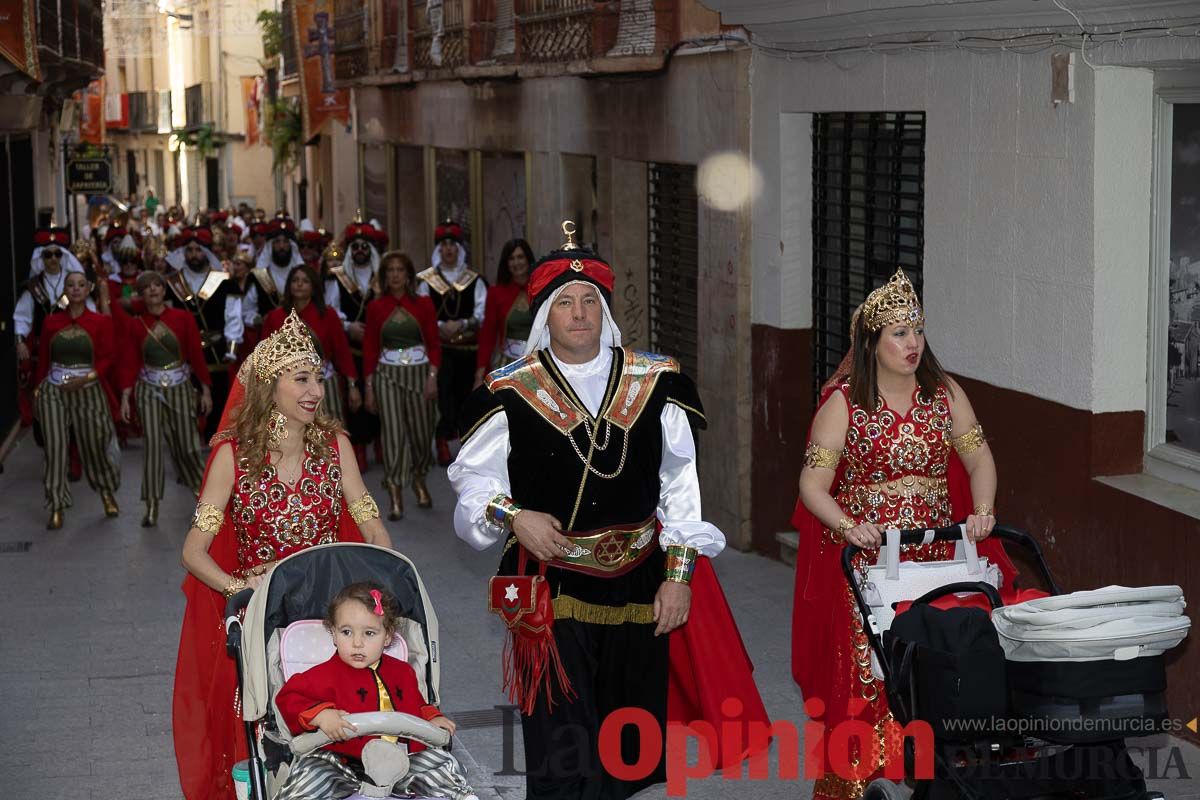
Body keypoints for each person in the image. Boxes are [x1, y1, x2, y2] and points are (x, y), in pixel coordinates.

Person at [448, 221, 768, 799]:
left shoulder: (656, 383)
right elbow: (472, 482)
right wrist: (512, 515)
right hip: (550, 585)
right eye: (564, 302)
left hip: (638, 586)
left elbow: (681, 488)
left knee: (628, 744)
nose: (578, 313)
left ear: (605, 310)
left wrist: (679, 578)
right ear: (545, 315)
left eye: (589, 301)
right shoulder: (510, 391)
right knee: (560, 743)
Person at [791, 268, 1016, 799]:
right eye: (898, 332)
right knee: (876, 672)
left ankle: (943, 776)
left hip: (937, 549)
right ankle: (863, 783)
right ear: (871, 342)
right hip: (871, 560)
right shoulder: (843, 405)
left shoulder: (946, 394)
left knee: (942, 663)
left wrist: (982, 509)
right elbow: (812, 484)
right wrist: (851, 527)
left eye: (916, 329)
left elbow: (980, 458)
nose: (912, 343)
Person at [173, 309, 392, 800]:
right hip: (262, 614)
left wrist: (377, 575)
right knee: (271, 730)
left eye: (318, 376)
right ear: (271, 386)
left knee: (336, 727)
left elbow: (372, 522)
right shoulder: (234, 455)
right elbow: (193, 550)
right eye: (301, 378)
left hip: (331, 610)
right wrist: (240, 589)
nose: (315, 388)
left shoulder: (336, 446)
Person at [274, 581, 477, 800]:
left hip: (401, 762)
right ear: (333, 634)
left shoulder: (402, 672)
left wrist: (431, 717)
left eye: (369, 633)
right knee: (310, 773)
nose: (357, 643)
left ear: (387, 636)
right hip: (341, 763)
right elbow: (288, 698)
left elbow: (416, 703)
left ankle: (462, 795)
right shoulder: (320, 676)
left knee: (442, 762)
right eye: (346, 632)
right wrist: (320, 715)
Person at [119, 270, 213, 527]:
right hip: (148, 388)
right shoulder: (135, 324)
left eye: (157, 285)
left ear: (164, 290)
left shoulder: (183, 318)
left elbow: (195, 353)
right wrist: (126, 396)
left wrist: (205, 389)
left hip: (180, 386)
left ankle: (204, 499)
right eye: (146, 287)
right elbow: (129, 361)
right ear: (141, 293)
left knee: (187, 444)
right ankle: (151, 505)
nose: (153, 290)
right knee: (151, 445)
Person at [33, 270, 121, 529]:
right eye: (70, 285)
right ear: (64, 290)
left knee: (94, 445)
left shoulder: (100, 322)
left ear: (89, 289)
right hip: (54, 390)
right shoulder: (51, 322)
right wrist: (38, 390)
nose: (75, 289)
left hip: (88, 389)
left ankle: (106, 492)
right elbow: (44, 360)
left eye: (81, 285)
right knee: (55, 447)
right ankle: (56, 505)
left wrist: (86, 378)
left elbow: (108, 358)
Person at [362, 252, 440, 520]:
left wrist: (432, 377)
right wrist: (369, 386)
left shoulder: (424, 304)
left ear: (408, 275)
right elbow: (371, 347)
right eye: (390, 271)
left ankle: (419, 477)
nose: (395, 275)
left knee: (421, 434)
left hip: (420, 374)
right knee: (393, 435)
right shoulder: (376, 307)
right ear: (384, 277)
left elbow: (434, 343)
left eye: (400, 269)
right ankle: (395, 492)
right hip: (387, 375)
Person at [164, 223, 245, 439]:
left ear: (207, 252)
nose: (194, 254)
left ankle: (215, 437)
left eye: (198, 249)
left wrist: (232, 347)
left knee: (218, 395)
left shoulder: (224, 281)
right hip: (183, 351)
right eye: (189, 250)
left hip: (216, 347)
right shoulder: (173, 283)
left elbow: (234, 316)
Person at [416, 220, 487, 466]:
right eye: (444, 245)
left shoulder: (474, 279)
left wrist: (464, 324)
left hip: (468, 348)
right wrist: (439, 327)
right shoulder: (426, 281)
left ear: (459, 249)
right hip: (442, 351)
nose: (448, 249)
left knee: (466, 397)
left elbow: (482, 312)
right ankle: (442, 441)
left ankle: (465, 442)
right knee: (443, 398)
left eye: (452, 244)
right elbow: (422, 315)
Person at [261, 265, 362, 425]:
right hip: (287, 386)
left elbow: (342, 352)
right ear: (288, 286)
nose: (299, 284)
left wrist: (352, 386)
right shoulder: (275, 317)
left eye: (305, 281)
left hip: (324, 382)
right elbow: (265, 357)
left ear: (314, 287)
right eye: (295, 280)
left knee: (330, 432)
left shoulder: (328, 315)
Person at [14, 227, 91, 430]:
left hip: (74, 349)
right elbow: (22, 317)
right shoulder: (33, 287)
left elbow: (90, 313)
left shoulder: (74, 284)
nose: (53, 259)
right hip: (44, 353)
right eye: (48, 255)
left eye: (57, 254)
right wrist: (20, 341)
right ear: (41, 257)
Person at [325, 214, 384, 471]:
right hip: (352, 349)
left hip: (380, 350)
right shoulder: (338, 278)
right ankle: (359, 448)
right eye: (355, 247)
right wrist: (349, 327)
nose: (360, 251)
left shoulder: (382, 277)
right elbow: (331, 310)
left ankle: (381, 443)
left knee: (380, 395)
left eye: (364, 247)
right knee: (355, 399)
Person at [474, 238, 534, 387]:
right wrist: (480, 373)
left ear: (528, 259)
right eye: (511, 258)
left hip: (538, 365)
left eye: (520, 257)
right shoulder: (496, 293)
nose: (516, 262)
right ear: (506, 263)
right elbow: (488, 335)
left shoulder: (540, 290)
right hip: (506, 364)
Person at [246, 215, 306, 327]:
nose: (281, 246)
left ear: (291, 245)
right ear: (270, 246)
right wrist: (259, 320)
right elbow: (247, 311)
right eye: (277, 242)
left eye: (285, 242)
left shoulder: (304, 276)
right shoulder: (259, 277)